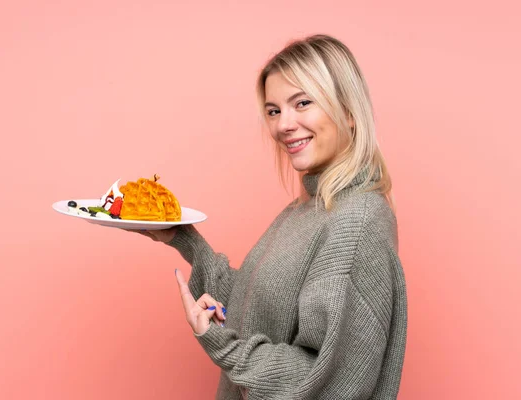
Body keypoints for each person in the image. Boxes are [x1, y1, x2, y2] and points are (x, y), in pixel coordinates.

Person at [138, 34, 407, 399]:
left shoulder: (356, 222)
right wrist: (183, 238)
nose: (283, 125)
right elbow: (260, 307)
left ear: (348, 111)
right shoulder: (308, 208)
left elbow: (325, 378)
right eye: (274, 110)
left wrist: (220, 344)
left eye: (302, 103)